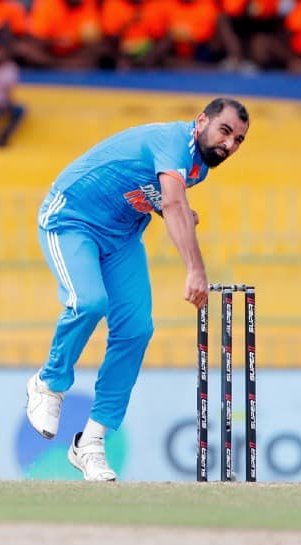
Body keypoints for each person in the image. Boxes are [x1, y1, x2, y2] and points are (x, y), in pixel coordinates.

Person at [25, 98, 250, 481]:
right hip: (72, 219)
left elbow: (154, 192)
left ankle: (91, 441)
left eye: (239, 140)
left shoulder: (198, 168)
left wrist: (165, 209)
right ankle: (48, 383)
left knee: (136, 330)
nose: (229, 144)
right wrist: (195, 270)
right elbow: (175, 201)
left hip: (121, 237)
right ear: (201, 121)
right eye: (225, 131)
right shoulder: (174, 141)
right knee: (89, 302)